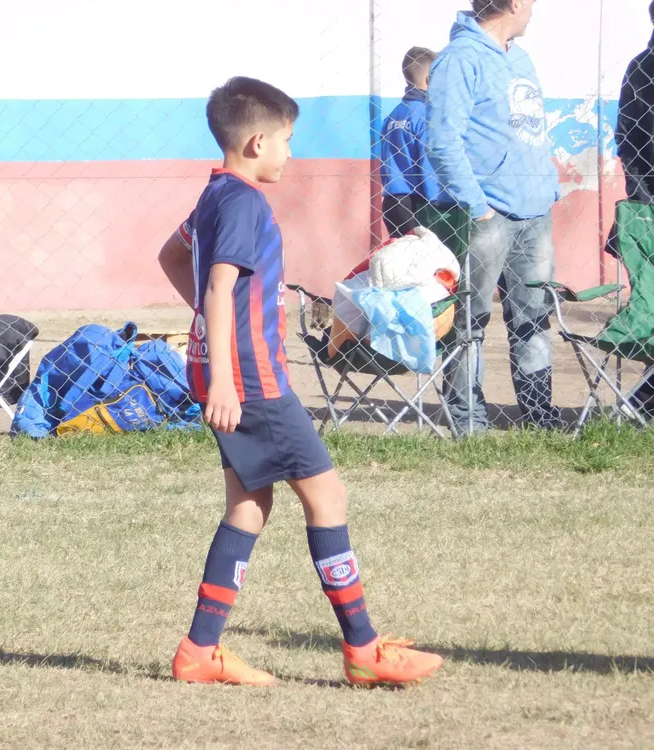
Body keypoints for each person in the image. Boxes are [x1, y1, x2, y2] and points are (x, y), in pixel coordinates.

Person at [157, 76, 443, 687]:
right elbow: (216, 286)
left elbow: (173, 257)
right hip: (251, 380)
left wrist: (213, 341)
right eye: (288, 140)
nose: (292, 152)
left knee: (250, 505)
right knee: (327, 498)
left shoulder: (213, 196)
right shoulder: (243, 203)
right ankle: (363, 652)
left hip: (224, 368)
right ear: (258, 141)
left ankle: (199, 651)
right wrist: (230, 377)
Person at [426, 0, 561, 435]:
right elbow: (442, 141)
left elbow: (531, 129)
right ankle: (469, 422)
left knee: (535, 317)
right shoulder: (460, 59)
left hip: (535, 211)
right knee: (470, 321)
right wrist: (477, 206)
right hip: (487, 215)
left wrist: (548, 186)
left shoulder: (519, 58)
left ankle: (540, 417)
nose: (535, 11)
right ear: (514, 3)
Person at [614, 0, 654, 417]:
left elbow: (626, 136)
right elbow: (628, 135)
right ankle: (642, 403)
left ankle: (642, 402)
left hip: (645, 204)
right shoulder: (643, 68)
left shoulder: (639, 66)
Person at [380, 47, 441, 238]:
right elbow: (428, 165)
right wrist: (439, 204)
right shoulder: (426, 116)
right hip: (417, 205)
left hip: (392, 204)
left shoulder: (392, 116)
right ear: (430, 80)